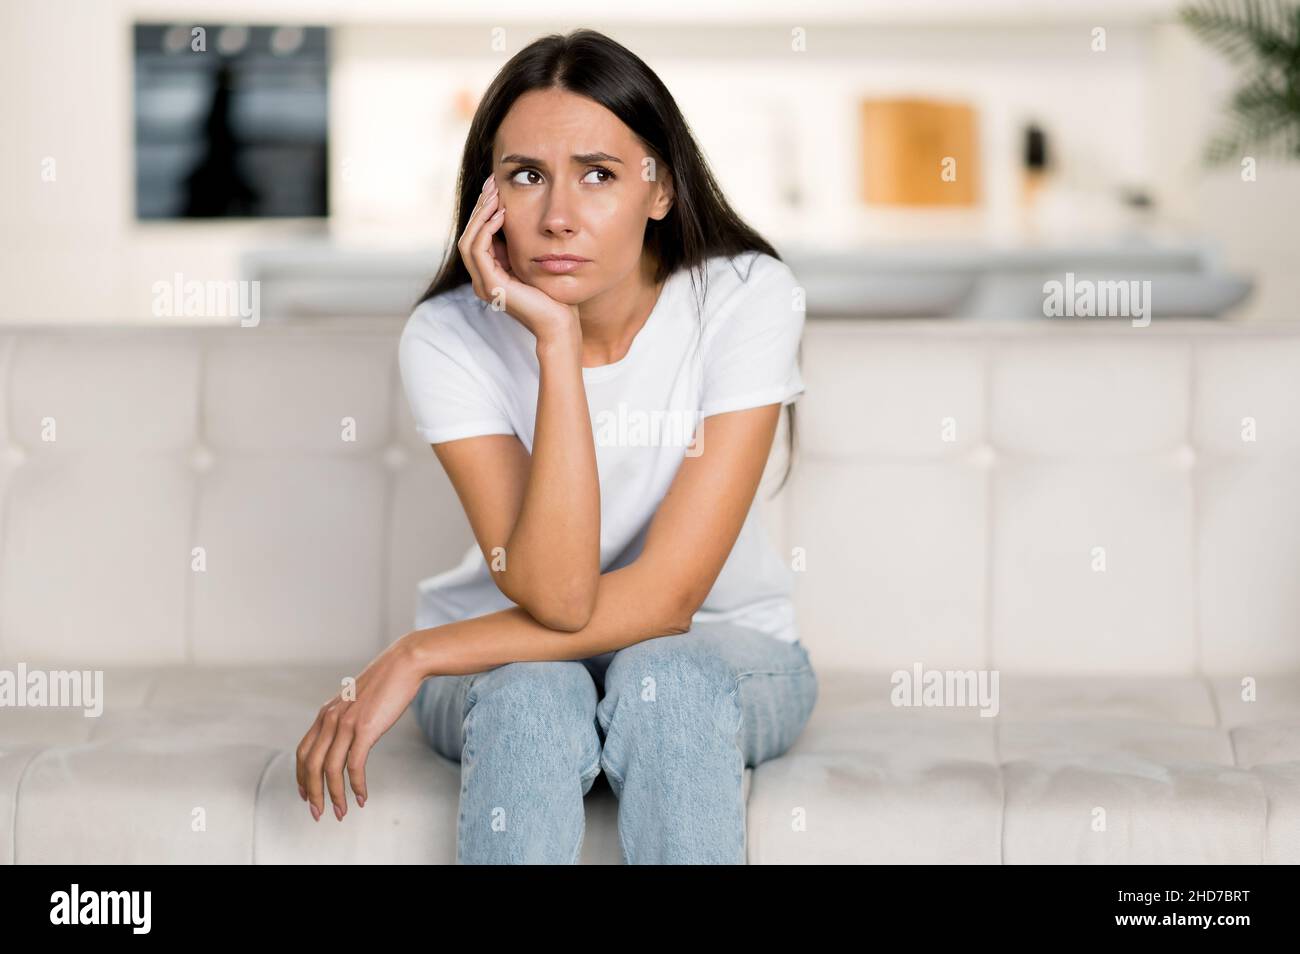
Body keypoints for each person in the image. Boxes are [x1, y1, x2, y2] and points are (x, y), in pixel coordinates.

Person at [295, 28, 818, 865]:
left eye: (599, 175)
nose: (559, 217)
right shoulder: (448, 337)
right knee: (533, 696)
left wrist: (420, 651)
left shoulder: (747, 297)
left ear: (659, 190)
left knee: (666, 681)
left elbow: (665, 602)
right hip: (509, 650)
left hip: (716, 642)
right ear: (486, 196)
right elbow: (558, 596)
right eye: (526, 176)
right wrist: (555, 345)